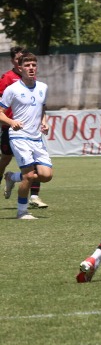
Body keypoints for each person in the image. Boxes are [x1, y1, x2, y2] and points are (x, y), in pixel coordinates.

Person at [0, 53, 54, 220]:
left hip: (36, 138)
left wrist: (44, 122)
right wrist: (11, 121)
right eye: (28, 65)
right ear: (20, 68)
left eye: (33, 65)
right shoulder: (12, 89)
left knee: (46, 175)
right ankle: (22, 211)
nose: (31, 68)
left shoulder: (43, 87)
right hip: (19, 136)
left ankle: (11, 177)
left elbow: (42, 108)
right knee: (29, 175)